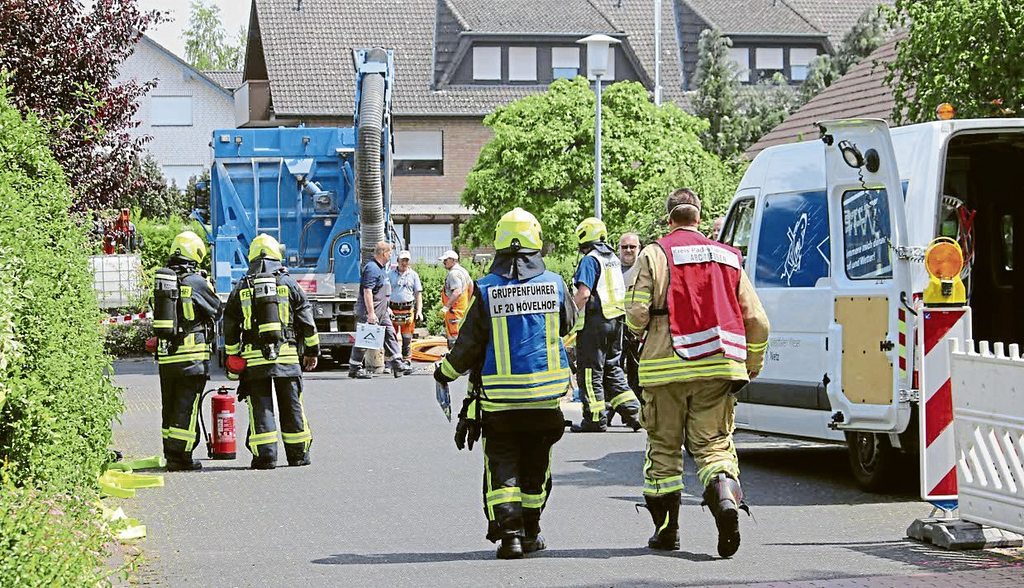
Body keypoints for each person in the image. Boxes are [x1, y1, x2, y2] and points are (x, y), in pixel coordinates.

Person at [626, 188, 769, 558]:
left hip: (664, 369)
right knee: (713, 447)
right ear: (699, 219)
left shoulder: (655, 254)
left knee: (664, 450)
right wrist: (750, 364)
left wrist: (637, 331)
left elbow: (638, 313)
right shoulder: (728, 256)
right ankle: (724, 498)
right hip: (718, 368)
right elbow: (757, 321)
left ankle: (667, 531)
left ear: (669, 218)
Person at [434, 208, 574, 560]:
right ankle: (531, 531)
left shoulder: (485, 289)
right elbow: (569, 323)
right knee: (536, 468)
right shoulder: (555, 284)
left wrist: (443, 374)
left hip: (499, 405)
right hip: (544, 402)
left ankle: (509, 536)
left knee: (503, 466)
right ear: (536, 241)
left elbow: (468, 345)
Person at [222, 233, 320, 469]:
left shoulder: (242, 287)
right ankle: (298, 455)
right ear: (278, 254)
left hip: (254, 361)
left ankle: (265, 457)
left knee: (261, 407)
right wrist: (312, 351)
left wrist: (233, 357)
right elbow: (307, 321)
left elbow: (231, 327)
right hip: (287, 357)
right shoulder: (289, 284)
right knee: (292, 405)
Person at [153, 231, 222, 471]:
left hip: (166, 356)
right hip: (191, 357)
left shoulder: (164, 279)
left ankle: (169, 453)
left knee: (169, 406)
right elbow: (216, 309)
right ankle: (182, 458)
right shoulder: (195, 281)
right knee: (187, 406)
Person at [569, 218, 641, 432]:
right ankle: (634, 412)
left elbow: (583, 294)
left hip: (596, 323)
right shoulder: (612, 258)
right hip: (617, 321)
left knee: (590, 371)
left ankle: (594, 418)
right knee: (612, 368)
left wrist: (568, 315)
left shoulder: (590, 260)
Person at [349, 241, 408, 379]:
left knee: (390, 334)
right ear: (383, 253)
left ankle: (397, 364)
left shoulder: (381, 269)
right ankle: (355, 368)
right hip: (372, 311)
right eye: (389, 253)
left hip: (382, 311)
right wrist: (370, 313)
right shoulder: (372, 268)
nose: (390, 256)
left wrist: (387, 309)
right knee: (364, 340)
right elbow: (367, 291)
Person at [617, 232, 643, 397]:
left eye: (632, 247)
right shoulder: (611, 268)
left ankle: (637, 412)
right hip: (616, 326)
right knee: (614, 371)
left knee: (637, 372)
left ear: (639, 248)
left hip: (638, 328)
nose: (628, 250)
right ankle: (611, 411)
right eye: (624, 247)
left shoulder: (645, 268)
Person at [388, 250, 424, 362]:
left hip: (408, 310)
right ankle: (391, 362)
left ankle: (406, 361)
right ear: (397, 261)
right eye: (402, 260)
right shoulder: (390, 275)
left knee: (407, 338)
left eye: (406, 260)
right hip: (393, 310)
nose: (404, 263)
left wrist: (419, 311)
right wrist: (387, 308)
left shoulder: (414, 275)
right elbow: (384, 293)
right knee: (391, 337)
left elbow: (418, 294)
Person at [439, 249, 473, 347]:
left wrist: (446, 307)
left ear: (453, 260)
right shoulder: (463, 271)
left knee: (454, 341)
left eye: (446, 260)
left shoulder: (453, 274)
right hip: (462, 311)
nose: (444, 262)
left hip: (454, 313)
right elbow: (471, 287)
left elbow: (457, 291)